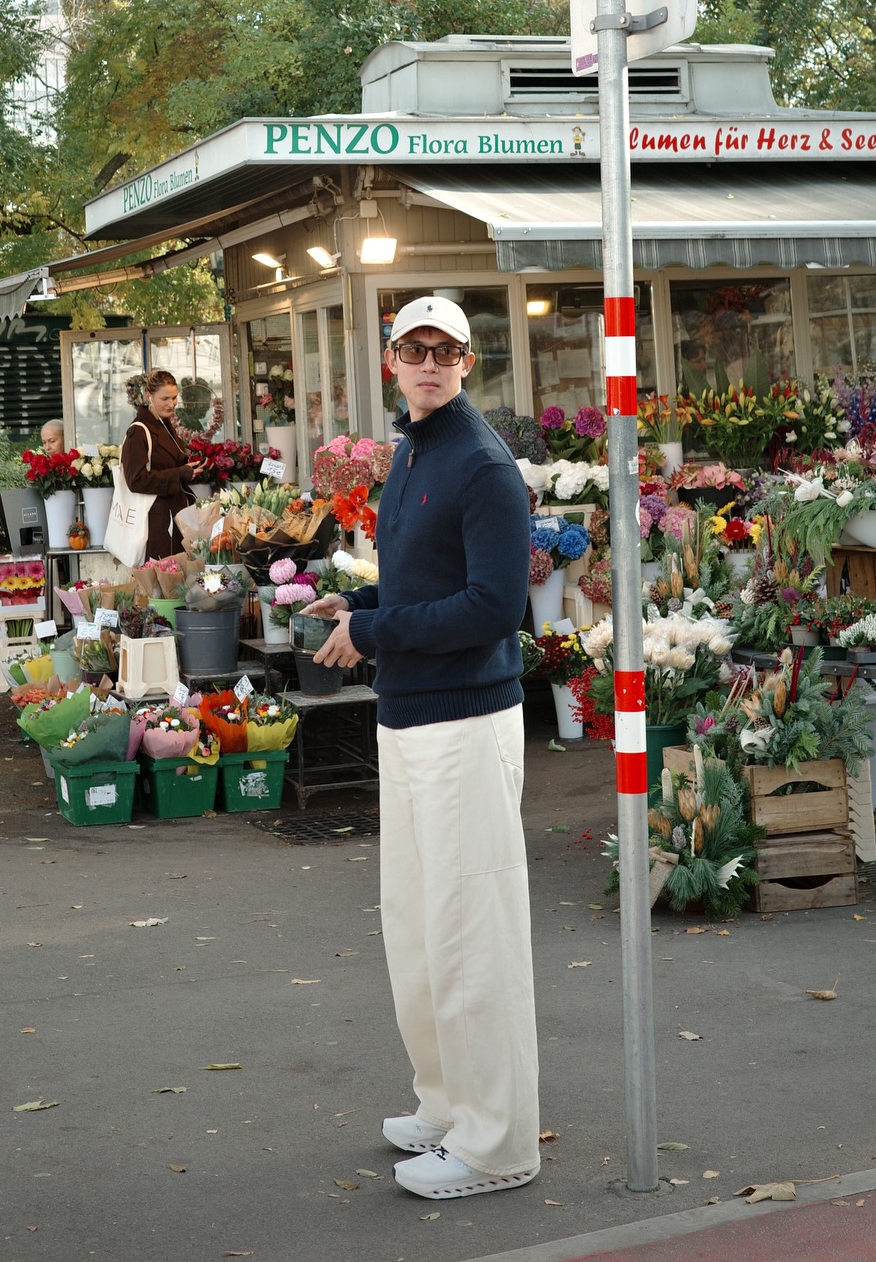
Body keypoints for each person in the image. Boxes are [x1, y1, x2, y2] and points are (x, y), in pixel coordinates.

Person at [301, 296, 539, 1201]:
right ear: (392, 360)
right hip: (408, 720)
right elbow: (419, 588)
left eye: (447, 351)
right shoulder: (413, 450)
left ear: (470, 363)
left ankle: (497, 1145)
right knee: (418, 924)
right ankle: (446, 1106)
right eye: (414, 349)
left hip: (465, 724)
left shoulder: (482, 465)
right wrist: (358, 612)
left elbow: (494, 608)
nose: (430, 363)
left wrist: (378, 630)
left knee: (473, 933)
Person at [120, 369, 197, 559]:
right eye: (165, 398)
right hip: (154, 523)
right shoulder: (138, 431)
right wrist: (180, 473)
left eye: (174, 397)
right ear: (149, 396)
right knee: (161, 578)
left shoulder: (164, 424)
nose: (171, 404)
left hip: (172, 516)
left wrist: (189, 468)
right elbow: (136, 480)